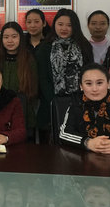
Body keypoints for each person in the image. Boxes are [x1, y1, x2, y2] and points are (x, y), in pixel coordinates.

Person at [36, 9, 93, 139]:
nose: (64, 28)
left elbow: (89, 75)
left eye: (69, 25)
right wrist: (55, 101)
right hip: (50, 105)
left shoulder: (84, 46)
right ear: (54, 25)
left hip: (80, 103)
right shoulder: (44, 48)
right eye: (60, 24)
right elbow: (42, 79)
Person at [0, 22, 38, 136]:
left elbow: (34, 88)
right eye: (6, 37)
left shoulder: (28, 59)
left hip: (23, 110)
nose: (10, 41)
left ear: (21, 38)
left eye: (14, 36)